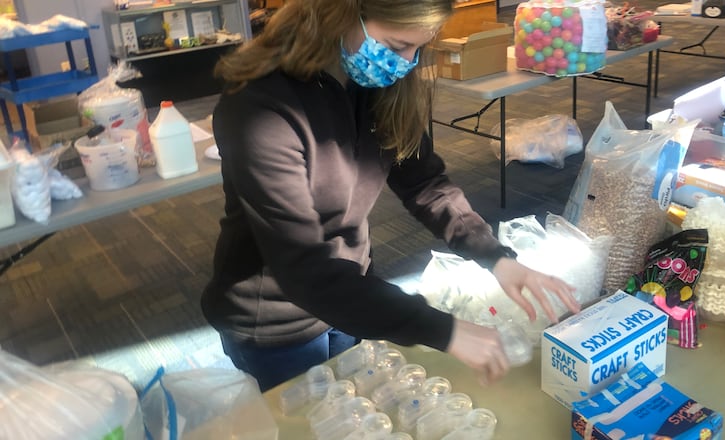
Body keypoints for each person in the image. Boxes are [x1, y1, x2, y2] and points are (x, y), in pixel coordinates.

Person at [201, 0, 580, 393]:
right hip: (276, 320)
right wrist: (442, 330)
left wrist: (495, 257)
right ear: (342, 13)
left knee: (354, 408)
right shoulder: (259, 106)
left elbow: (425, 183)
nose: (407, 62)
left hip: (352, 291)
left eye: (419, 47)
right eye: (397, 46)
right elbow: (304, 269)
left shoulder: (377, 82)